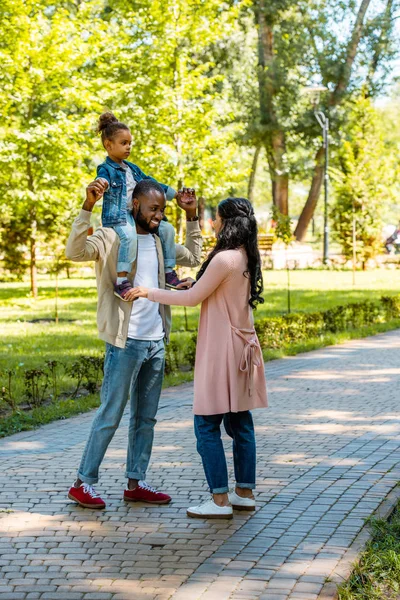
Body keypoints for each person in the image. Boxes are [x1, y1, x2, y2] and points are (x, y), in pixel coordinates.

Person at [65, 178, 202, 509]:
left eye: (162, 210)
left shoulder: (159, 240)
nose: (158, 215)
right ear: (135, 204)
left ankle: (135, 481)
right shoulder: (113, 236)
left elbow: (195, 257)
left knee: (146, 417)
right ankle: (82, 483)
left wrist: (192, 215)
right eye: (153, 209)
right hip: (125, 342)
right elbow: (75, 251)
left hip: (156, 340)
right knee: (111, 412)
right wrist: (88, 206)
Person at [130, 197, 268, 519]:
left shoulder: (224, 260)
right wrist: (197, 283)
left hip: (222, 351)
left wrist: (148, 292)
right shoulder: (244, 256)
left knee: (206, 425)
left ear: (227, 222)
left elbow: (192, 299)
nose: (213, 223)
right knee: (240, 423)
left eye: (216, 218)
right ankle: (243, 493)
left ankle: (219, 501)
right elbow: (212, 290)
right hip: (241, 350)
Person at [96, 111, 193, 299]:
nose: (128, 147)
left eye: (130, 143)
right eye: (123, 143)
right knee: (129, 237)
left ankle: (169, 271)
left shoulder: (133, 168)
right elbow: (102, 179)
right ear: (108, 145)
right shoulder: (106, 168)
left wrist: (176, 195)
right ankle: (121, 280)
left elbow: (153, 183)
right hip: (119, 216)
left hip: (136, 214)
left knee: (167, 229)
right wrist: (103, 184)